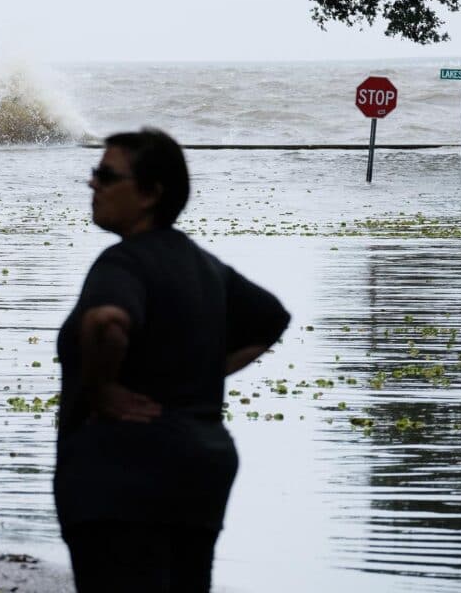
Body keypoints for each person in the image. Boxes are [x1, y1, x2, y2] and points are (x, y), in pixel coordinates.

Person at [54, 129, 290, 592]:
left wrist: (101, 388)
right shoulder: (204, 265)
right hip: (200, 471)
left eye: (106, 175)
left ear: (150, 194)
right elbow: (271, 319)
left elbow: (106, 322)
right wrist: (201, 371)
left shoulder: (122, 263)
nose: (92, 184)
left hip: (122, 475)